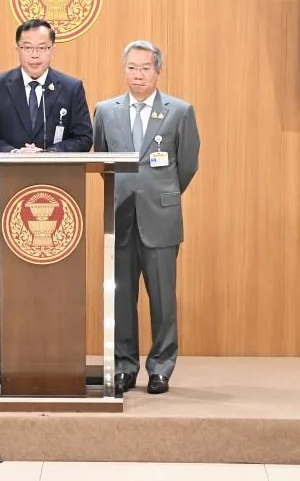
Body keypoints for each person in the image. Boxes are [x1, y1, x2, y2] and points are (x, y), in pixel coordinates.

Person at [0, 19, 93, 374]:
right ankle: (6, 348)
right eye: (28, 47)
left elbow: (83, 137)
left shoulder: (70, 88)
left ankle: (56, 346)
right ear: (18, 48)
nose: (35, 54)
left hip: (59, 201)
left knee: (55, 278)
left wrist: (50, 155)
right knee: (8, 277)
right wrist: (14, 154)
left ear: (53, 50)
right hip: (10, 197)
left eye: (42, 48)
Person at [92, 40, 200, 394]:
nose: (138, 75)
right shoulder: (105, 110)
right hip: (120, 215)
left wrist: (162, 194)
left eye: (145, 68)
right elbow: (100, 160)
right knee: (121, 297)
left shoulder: (179, 111)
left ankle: (161, 367)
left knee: (163, 299)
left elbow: (187, 164)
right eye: (132, 68)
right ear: (124, 70)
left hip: (161, 218)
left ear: (158, 71)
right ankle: (124, 366)